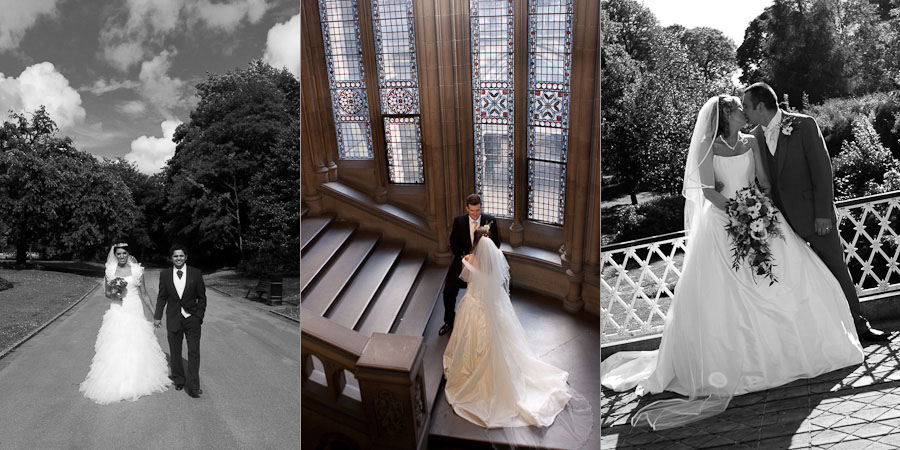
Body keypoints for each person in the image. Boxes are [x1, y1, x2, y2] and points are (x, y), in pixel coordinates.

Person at [600, 95, 865, 430]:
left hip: (760, 216)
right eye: (738, 108)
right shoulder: (708, 147)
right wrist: (737, 212)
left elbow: (763, 183)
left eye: (745, 106)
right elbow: (708, 191)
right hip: (723, 224)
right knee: (724, 297)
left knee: (788, 276)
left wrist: (760, 209)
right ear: (726, 114)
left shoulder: (752, 141)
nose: (744, 111)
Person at [742, 82, 889, 343]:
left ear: (761, 106)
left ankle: (860, 326)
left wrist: (823, 213)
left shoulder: (804, 125)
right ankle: (820, 335)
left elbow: (822, 171)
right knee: (799, 280)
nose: (744, 112)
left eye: (746, 107)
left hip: (814, 217)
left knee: (836, 269)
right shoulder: (755, 137)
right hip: (782, 226)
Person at [443, 227, 571, 428]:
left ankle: (471, 374)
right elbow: (501, 280)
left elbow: (465, 279)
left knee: (471, 341)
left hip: (474, 307)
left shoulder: (467, 259)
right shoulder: (499, 256)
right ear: (490, 239)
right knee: (504, 343)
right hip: (495, 306)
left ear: (474, 242)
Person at [80, 243, 170, 404]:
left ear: (129, 254)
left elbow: (145, 294)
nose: (121, 256)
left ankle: (137, 380)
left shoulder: (137, 271)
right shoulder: (109, 271)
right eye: (119, 254)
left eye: (124, 253)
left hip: (135, 309)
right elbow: (107, 293)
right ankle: (116, 382)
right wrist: (114, 293)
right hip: (117, 310)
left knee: (136, 344)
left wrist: (155, 314)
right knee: (116, 345)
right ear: (115, 255)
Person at [439, 194, 500, 336]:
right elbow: (453, 244)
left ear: (481, 207)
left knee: (489, 291)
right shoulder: (458, 221)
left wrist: (484, 251)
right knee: (448, 290)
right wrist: (466, 258)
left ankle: (487, 323)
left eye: (478, 210)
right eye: (472, 210)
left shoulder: (490, 221)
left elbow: (497, 244)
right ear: (467, 208)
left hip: (484, 262)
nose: (475, 214)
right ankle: (449, 321)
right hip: (463, 260)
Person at [154, 244, 207, 399]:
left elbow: (202, 298)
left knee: (194, 352)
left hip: (192, 319)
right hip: (174, 318)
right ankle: (179, 379)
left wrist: (198, 316)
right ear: (171, 258)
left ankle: (194, 386)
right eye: (175, 256)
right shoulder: (164, 274)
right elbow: (162, 297)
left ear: (186, 257)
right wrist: (157, 316)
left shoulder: (196, 273)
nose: (178, 258)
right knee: (175, 352)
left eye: (181, 256)